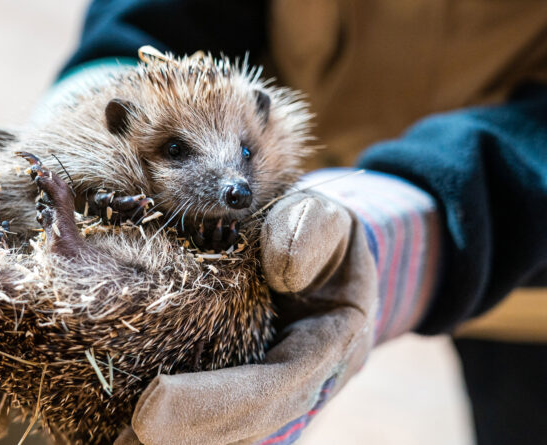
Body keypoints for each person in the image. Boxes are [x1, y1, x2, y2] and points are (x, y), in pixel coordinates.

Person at [42, 1, 547, 444]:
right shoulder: (199, 131)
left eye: (243, 152)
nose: (231, 187)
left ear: (263, 123)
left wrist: (413, 228)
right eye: (178, 151)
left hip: (531, 275)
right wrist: (88, 89)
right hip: (313, 195)